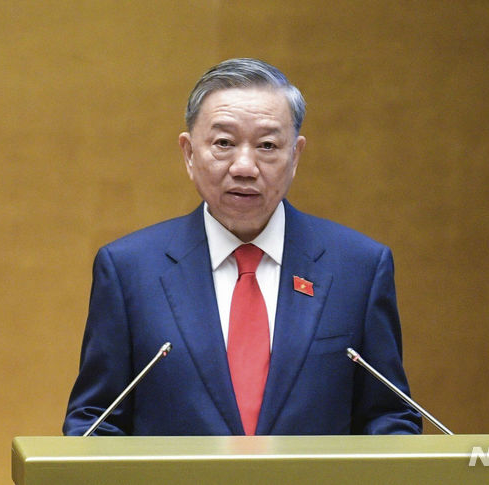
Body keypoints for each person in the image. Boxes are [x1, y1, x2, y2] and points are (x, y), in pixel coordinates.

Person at [63, 58, 422, 436]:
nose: (245, 166)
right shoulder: (129, 270)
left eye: (267, 145)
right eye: (224, 143)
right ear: (188, 153)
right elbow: (96, 423)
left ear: (295, 156)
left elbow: (391, 419)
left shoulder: (359, 267)